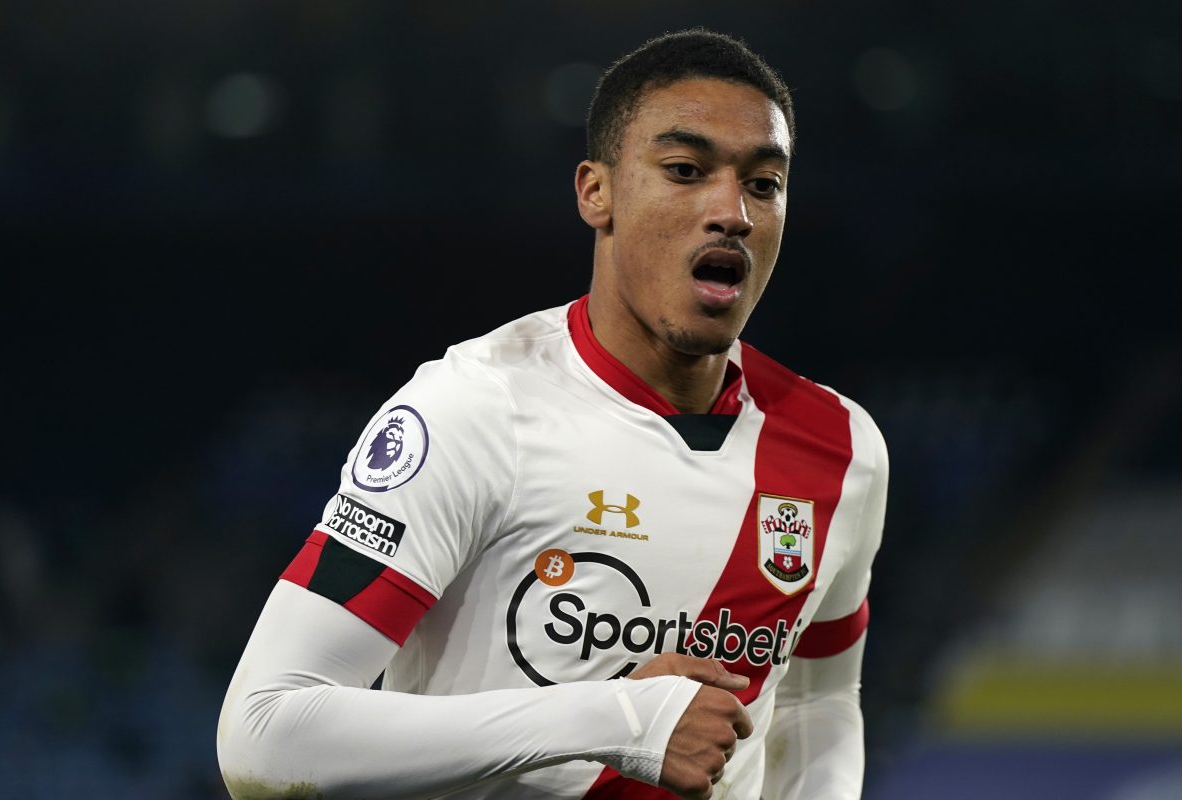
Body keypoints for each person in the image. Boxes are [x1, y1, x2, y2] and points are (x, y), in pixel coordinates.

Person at [217, 28, 887, 800]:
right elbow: (264, 734)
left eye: (764, 184)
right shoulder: (475, 410)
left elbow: (821, 698)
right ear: (595, 192)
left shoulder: (841, 448)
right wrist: (615, 718)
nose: (732, 211)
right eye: (684, 170)